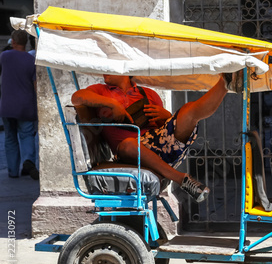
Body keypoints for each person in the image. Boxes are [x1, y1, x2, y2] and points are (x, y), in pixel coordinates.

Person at [71, 74, 230, 202]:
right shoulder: (100, 90)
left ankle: (224, 82)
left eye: (109, 67)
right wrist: (113, 104)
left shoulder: (149, 94)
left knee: (188, 109)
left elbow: (164, 129)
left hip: (159, 146)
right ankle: (182, 179)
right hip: (129, 154)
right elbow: (77, 97)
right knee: (128, 145)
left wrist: (166, 116)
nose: (103, 70)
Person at [0, 30, 38, 180]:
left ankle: (13, 171)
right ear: (26, 43)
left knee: (10, 138)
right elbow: (35, 85)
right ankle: (28, 161)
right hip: (26, 105)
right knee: (27, 135)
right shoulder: (31, 60)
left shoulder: (5, 57)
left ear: (13, 41)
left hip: (7, 105)